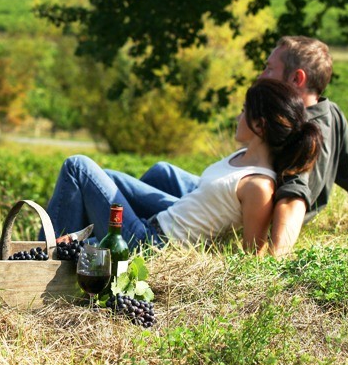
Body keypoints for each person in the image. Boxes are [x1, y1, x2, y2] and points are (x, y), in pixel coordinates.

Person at [114, 35, 348, 257]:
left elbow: (293, 198)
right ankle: (136, 229)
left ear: (296, 79)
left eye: (269, 68)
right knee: (163, 172)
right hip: (235, 195)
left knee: (102, 175)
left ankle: (125, 240)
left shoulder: (299, 130)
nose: (261, 75)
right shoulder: (330, 112)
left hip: (244, 207)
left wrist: (275, 257)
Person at [45, 79, 322, 252]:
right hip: (156, 224)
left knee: (78, 166)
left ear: (259, 125)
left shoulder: (259, 186)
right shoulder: (242, 158)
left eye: (243, 111)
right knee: (106, 177)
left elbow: (254, 254)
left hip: (149, 245)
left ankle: (48, 258)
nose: (238, 117)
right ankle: (73, 248)